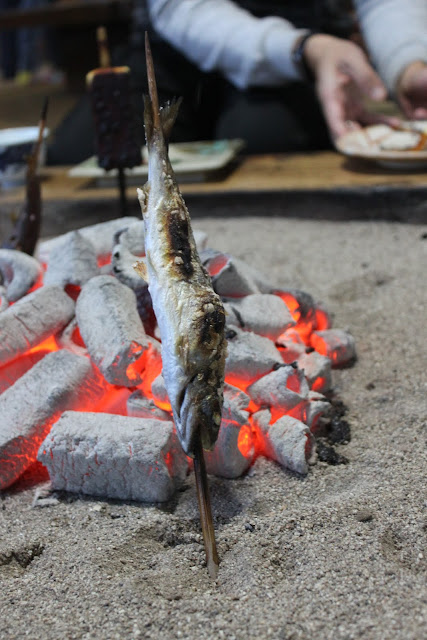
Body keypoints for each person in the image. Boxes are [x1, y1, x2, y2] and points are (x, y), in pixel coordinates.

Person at [143, 0, 427, 152]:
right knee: (123, 144)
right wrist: (300, 49)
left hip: (304, 48)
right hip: (172, 45)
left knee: (264, 134)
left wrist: (407, 62)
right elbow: (182, 9)